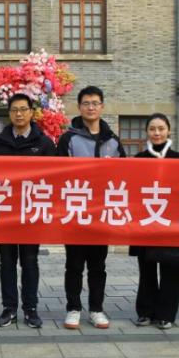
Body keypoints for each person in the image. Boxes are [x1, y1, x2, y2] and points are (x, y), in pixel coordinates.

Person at [57, 86, 126, 330]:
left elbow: (124, 175)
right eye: (86, 103)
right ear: (79, 107)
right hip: (75, 211)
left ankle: (96, 309)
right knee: (74, 264)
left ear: (102, 107)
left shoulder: (113, 141)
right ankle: (73, 308)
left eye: (95, 103)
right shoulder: (68, 138)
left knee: (98, 265)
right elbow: (58, 175)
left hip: (101, 213)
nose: (90, 107)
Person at [0, 94, 57, 329]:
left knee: (30, 261)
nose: (19, 114)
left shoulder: (44, 144)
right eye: (14, 110)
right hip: (6, 212)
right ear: (9, 113)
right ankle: (9, 308)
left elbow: (54, 178)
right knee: (6, 262)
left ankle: (30, 309)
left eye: (23, 109)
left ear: (31, 112)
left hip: (31, 212)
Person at [131, 113, 179, 330]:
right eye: (152, 129)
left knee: (170, 269)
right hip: (146, 221)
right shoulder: (139, 159)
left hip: (171, 223)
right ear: (147, 132)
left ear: (168, 130)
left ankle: (166, 314)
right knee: (147, 268)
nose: (157, 133)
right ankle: (145, 311)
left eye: (161, 128)